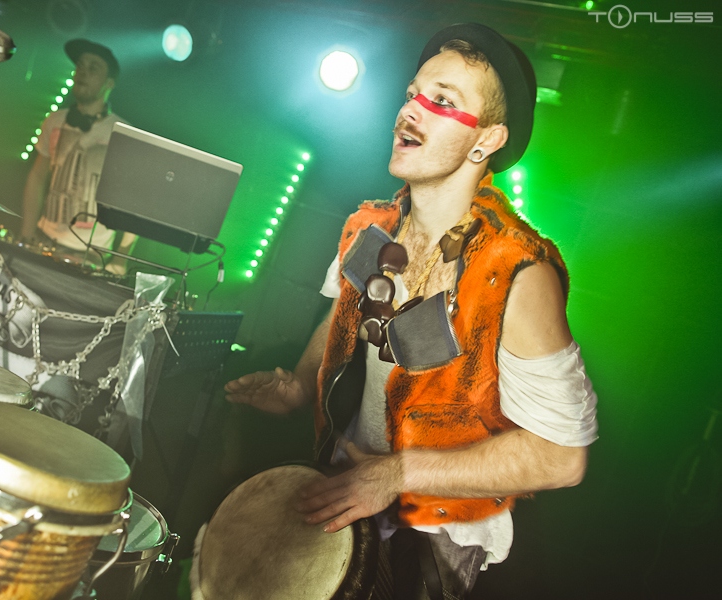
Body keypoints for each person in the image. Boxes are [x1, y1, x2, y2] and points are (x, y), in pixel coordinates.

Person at [225, 23, 598, 600]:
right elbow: (342, 320)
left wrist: (397, 473)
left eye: (442, 101)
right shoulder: (369, 230)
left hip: (434, 537)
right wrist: (299, 385)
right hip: (346, 490)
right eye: (411, 94)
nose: (410, 111)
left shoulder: (517, 274)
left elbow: (562, 456)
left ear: (486, 140)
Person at [20, 38, 136, 269]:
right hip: (43, 239)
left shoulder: (123, 133)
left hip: (91, 254)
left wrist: (121, 259)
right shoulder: (55, 120)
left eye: (93, 68)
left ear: (109, 83)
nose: (82, 72)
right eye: (80, 66)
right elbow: (37, 177)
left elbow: (133, 201)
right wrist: (26, 234)